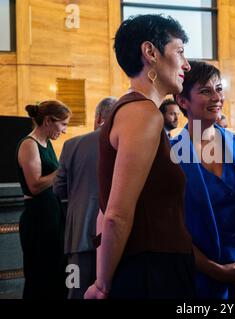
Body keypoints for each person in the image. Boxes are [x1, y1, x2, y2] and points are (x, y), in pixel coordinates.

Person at [84, 14, 194, 299]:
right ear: (150, 52)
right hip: (152, 273)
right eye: (180, 52)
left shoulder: (134, 111)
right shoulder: (142, 112)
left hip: (150, 267)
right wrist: (102, 284)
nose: (187, 64)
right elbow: (115, 215)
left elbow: (104, 211)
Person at [172, 60, 235, 299]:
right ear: (182, 101)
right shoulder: (172, 155)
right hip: (202, 282)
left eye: (219, 89)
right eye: (205, 91)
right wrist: (215, 270)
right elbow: (171, 228)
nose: (216, 97)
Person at [53, 97, 117, 299]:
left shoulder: (71, 145)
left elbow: (58, 189)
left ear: (98, 117)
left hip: (78, 236)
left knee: (75, 291)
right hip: (114, 238)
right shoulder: (124, 145)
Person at [16, 100, 71, 299]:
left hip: (52, 215)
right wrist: (63, 170)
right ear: (48, 121)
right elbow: (35, 185)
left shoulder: (46, 143)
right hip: (38, 218)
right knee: (39, 277)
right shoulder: (29, 144)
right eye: (63, 124)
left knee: (56, 275)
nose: (64, 130)